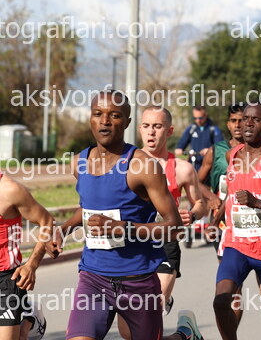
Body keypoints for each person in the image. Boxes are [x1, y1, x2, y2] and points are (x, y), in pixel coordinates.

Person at [47, 90, 202, 340]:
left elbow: (174, 226)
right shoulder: (79, 162)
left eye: (114, 115)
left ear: (127, 122)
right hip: (93, 277)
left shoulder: (143, 166)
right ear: (90, 119)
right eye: (98, 114)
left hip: (137, 279)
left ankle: (185, 335)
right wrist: (63, 230)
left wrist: (122, 228)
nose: (105, 121)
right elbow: (89, 208)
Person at [117, 106, 211, 339]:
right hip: (132, 246)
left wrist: (193, 214)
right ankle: (186, 334)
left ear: (169, 131)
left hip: (165, 246)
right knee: (129, 333)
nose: (151, 132)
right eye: (146, 126)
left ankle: (161, 301)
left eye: (157, 127)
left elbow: (201, 203)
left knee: (149, 317)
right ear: (139, 129)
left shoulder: (182, 169)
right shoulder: (124, 164)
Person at [210, 103, 261, 340]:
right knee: (221, 301)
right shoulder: (232, 155)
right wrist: (217, 218)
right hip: (236, 244)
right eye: (245, 118)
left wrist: (257, 203)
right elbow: (233, 192)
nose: (247, 123)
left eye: (256, 120)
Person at [0, 173, 54, 340]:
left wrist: (32, 265)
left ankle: (29, 318)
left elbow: (46, 221)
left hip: (5, 280)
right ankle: (27, 316)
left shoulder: (9, 190)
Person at [199, 104, 246, 259]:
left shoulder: (258, 150)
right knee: (226, 264)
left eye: (241, 120)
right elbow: (196, 182)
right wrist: (211, 196)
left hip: (249, 217)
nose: (237, 125)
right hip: (221, 219)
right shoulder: (215, 150)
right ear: (228, 124)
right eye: (233, 121)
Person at [176, 106, 224, 171]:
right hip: (194, 164)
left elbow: (220, 147)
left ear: (206, 115)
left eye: (200, 118)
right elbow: (181, 145)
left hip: (208, 166)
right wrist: (179, 149)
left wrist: (210, 151)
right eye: (195, 118)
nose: (198, 120)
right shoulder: (191, 128)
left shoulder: (213, 129)